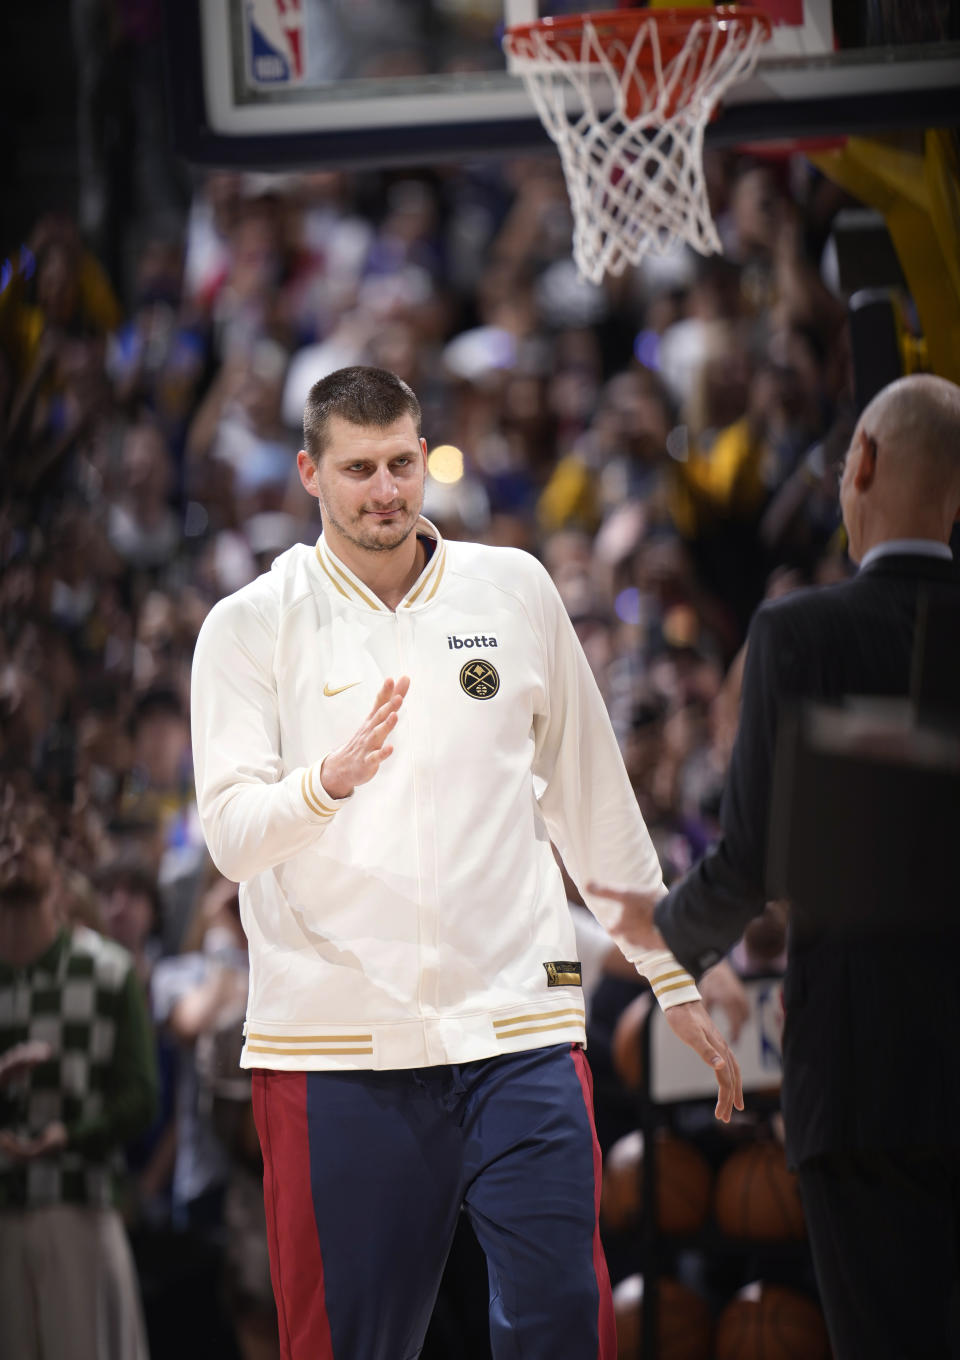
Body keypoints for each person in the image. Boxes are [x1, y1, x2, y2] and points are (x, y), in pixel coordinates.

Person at [190, 364, 743, 1360]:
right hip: (335, 1050)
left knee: (565, 1329)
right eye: (360, 469)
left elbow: (591, 799)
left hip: (518, 1026)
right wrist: (328, 780)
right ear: (311, 472)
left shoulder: (514, 587)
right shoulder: (247, 626)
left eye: (403, 460)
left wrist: (674, 971)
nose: (388, 488)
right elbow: (230, 832)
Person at [589, 372, 960, 1359]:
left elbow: (751, 861)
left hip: (863, 1073)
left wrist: (657, 937)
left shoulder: (797, 635)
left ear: (865, 467)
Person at [0, 783, 158, 1360]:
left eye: (29, 837)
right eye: (4, 837)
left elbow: (142, 1098)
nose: (14, 846)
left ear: (57, 864)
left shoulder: (106, 971)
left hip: (80, 1207)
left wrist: (71, 1136)